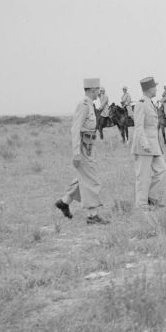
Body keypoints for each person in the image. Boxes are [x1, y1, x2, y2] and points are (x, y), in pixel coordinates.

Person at [55, 78, 109, 224]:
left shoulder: (90, 105)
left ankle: (64, 201)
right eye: (98, 89)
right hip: (83, 148)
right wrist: (76, 153)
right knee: (92, 180)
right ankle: (92, 216)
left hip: (89, 146)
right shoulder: (84, 105)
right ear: (92, 90)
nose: (99, 91)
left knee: (84, 177)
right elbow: (75, 129)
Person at [132, 76, 166, 211]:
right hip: (144, 146)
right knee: (143, 176)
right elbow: (139, 126)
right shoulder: (141, 103)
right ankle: (141, 205)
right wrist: (144, 143)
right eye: (155, 87)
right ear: (150, 89)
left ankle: (149, 196)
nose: (156, 89)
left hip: (154, 146)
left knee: (162, 170)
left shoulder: (150, 102)